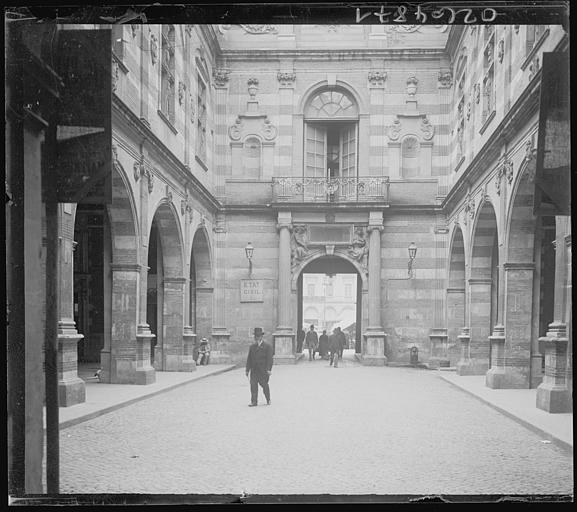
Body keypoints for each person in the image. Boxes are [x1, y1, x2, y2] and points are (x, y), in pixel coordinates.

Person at [245, 327, 273, 407]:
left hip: (263, 371)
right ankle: (254, 401)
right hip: (254, 370)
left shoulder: (267, 347)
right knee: (253, 386)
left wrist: (268, 369)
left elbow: (269, 359)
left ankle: (268, 399)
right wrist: (247, 370)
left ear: (261, 337)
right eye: (256, 336)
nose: (257, 338)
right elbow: (249, 359)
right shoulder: (252, 347)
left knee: (264, 385)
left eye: (258, 336)